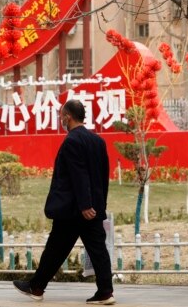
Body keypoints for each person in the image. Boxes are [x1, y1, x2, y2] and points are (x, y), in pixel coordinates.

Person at [13, 99, 115, 305]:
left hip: (73, 210)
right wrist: (97, 206)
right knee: (98, 250)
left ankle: (37, 287)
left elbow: (79, 175)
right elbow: (103, 177)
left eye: (62, 115)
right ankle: (105, 292)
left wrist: (85, 205)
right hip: (93, 209)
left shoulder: (72, 141)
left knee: (55, 249)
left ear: (68, 116)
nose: (61, 119)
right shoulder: (98, 141)